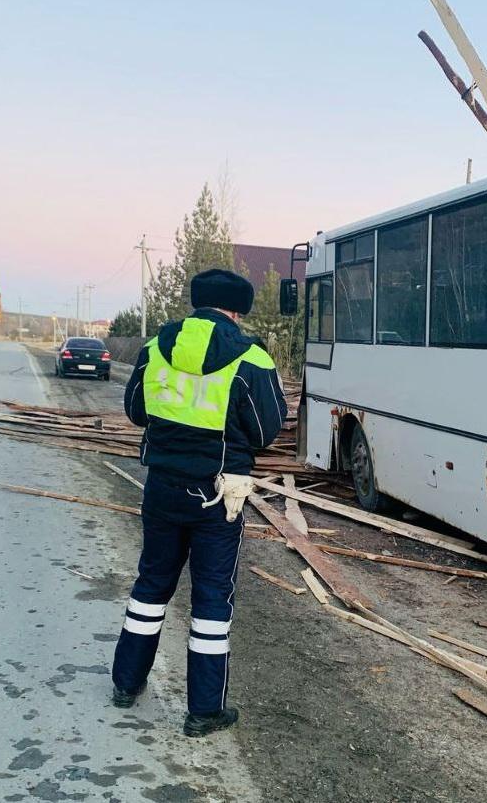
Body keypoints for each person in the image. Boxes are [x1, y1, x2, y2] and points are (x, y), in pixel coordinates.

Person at [111, 268, 287, 737]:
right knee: (211, 597)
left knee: (151, 584)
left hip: (163, 487)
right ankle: (203, 711)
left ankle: (126, 686)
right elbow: (268, 431)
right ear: (236, 310)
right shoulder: (251, 357)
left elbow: (135, 411)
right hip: (219, 494)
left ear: (196, 305)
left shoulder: (155, 349)